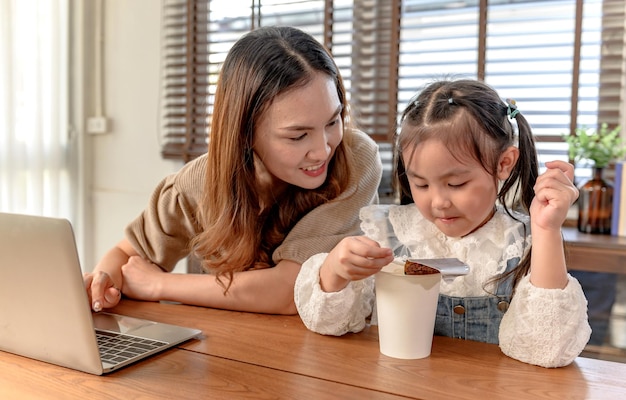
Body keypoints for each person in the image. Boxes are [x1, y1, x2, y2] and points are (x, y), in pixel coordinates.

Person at [83, 26, 382, 315]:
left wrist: (160, 285)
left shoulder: (355, 160)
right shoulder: (200, 181)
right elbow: (126, 255)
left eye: (333, 121)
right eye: (297, 136)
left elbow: (291, 289)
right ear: (245, 133)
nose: (323, 150)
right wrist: (103, 283)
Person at [294, 78, 592, 368]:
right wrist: (334, 271)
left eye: (456, 183)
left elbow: (548, 349)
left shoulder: (523, 241)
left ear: (504, 163)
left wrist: (546, 231)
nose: (438, 202)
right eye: (421, 185)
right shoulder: (388, 232)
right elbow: (329, 323)